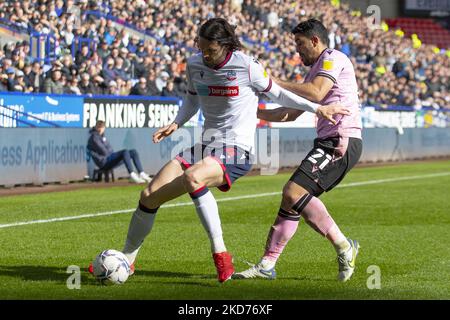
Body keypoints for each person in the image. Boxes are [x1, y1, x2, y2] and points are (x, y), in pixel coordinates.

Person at [89, 18, 350, 283]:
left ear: (225, 46)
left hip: (237, 148)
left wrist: (318, 108)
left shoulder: (247, 66)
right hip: (205, 144)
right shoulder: (194, 65)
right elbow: (191, 99)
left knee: (193, 178)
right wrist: (176, 123)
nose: (204, 54)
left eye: (210, 50)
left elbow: (279, 95)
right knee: (148, 195)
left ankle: (221, 255)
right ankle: (127, 261)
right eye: (200, 48)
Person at [234, 19, 363, 282]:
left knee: (293, 192)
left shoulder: (333, 58)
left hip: (340, 140)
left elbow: (316, 93)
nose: (297, 51)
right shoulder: (314, 70)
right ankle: (267, 265)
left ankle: (344, 246)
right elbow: (289, 113)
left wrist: (270, 81)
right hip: (329, 141)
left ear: (315, 41)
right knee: (290, 201)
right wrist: (253, 110)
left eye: (300, 44)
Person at [87, 120, 152, 184]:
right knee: (125, 152)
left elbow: (110, 149)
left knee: (133, 152)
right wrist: (110, 152)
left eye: (102, 127)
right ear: (96, 127)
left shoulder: (102, 136)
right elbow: (104, 152)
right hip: (103, 162)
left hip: (109, 158)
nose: (101, 129)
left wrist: (110, 152)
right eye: (99, 127)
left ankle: (141, 173)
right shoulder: (94, 137)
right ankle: (132, 174)